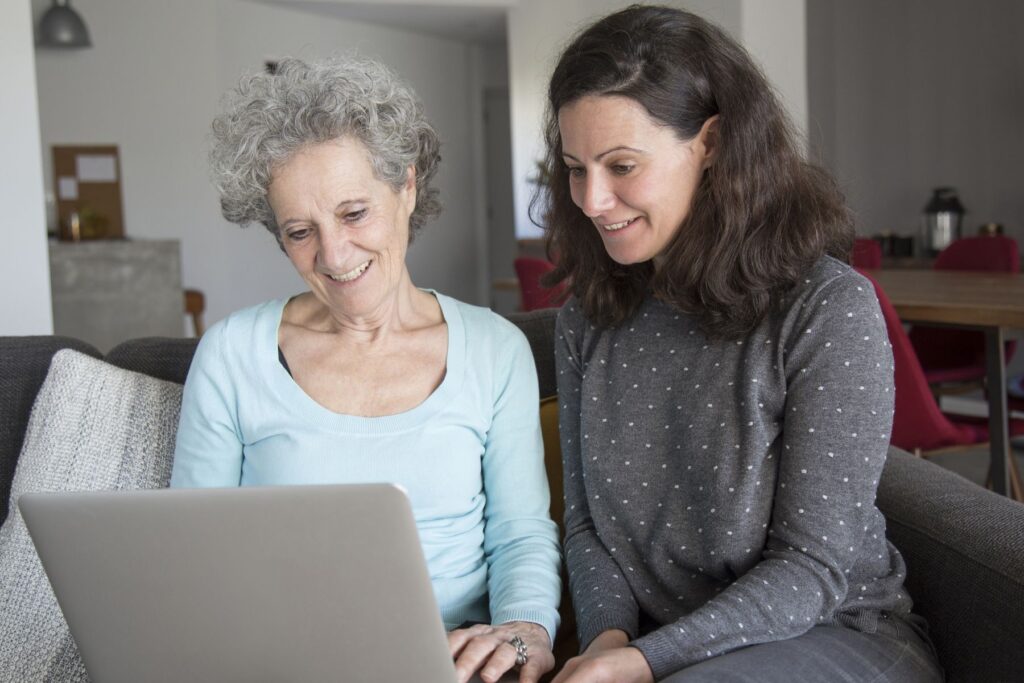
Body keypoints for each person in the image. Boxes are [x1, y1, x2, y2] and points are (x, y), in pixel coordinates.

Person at [539, 6, 943, 683]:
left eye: (622, 165)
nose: (592, 200)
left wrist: (644, 660)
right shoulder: (588, 317)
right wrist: (606, 646)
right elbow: (587, 528)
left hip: (836, 632)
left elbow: (810, 568)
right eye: (577, 168)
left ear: (713, 144)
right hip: (663, 647)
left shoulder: (827, 308)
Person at [170, 56, 559, 683]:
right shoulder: (231, 354)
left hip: (450, 665)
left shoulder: (494, 349)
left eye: (354, 214)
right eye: (300, 231)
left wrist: (525, 631)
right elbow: (194, 554)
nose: (334, 254)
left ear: (406, 187)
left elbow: (519, 535)